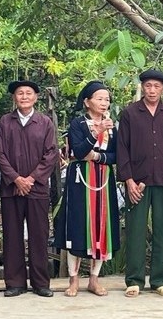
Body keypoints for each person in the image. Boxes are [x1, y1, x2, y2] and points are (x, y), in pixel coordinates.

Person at [117, 69, 163, 298]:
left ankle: (160, 280)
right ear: (142, 87)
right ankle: (134, 280)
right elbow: (122, 148)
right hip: (139, 181)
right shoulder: (129, 113)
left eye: (156, 86)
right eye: (148, 86)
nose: (152, 90)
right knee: (135, 230)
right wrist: (128, 180)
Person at [54, 81, 119, 297]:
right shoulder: (78, 124)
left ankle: (94, 279)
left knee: (102, 226)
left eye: (107, 99)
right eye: (99, 98)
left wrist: (99, 156)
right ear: (87, 102)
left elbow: (115, 155)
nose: (104, 102)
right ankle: (73, 280)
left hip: (103, 179)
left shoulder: (112, 125)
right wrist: (96, 132)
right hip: (80, 179)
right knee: (78, 226)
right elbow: (79, 151)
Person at [0, 80, 58, 297]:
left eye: (28, 93)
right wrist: (16, 179)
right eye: (19, 93)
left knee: (39, 237)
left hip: (37, 189)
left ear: (35, 97)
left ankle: (41, 283)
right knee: (12, 236)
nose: (24, 97)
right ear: (14, 97)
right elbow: (0, 154)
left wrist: (31, 179)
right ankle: (15, 283)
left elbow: (51, 154)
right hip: (11, 189)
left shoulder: (45, 122)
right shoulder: (5, 122)